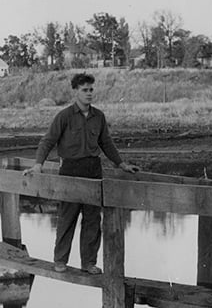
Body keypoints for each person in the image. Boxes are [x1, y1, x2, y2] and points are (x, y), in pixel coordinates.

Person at [23, 73, 139, 274]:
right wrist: (38, 165)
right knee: (67, 217)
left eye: (91, 89)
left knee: (93, 219)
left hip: (93, 170)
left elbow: (106, 143)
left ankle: (88, 263)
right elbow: (47, 141)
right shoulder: (64, 116)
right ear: (75, 92)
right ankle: (60, 261)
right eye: (84, 90)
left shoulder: (99, 117)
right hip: (70, 171)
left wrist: (121, 164)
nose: (89, 94)